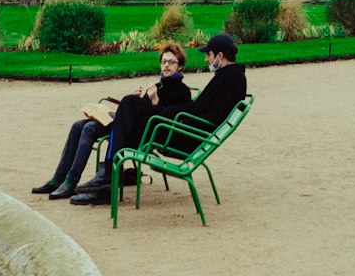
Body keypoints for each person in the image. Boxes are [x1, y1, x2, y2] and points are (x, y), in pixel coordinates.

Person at [70, 33, 247, 205]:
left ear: (220, 55)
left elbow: (211, 115)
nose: (206, 59)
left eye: (208, 55)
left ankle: (108, 176)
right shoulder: (228, 76)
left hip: (185, 134)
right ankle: (107, 179)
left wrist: (175, 117)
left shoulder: (232, 78)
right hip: (183, 127)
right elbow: (199, 108)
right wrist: (166, 111)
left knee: (130, 107)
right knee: (131, 106)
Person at [32, 41, 192, 201]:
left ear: (180, 66)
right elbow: (140, 110)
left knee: (90, 128)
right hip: (128, 125)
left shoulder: (182, 91)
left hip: (140, 133)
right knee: (78, 126)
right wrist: (138, 98)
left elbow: (167, 118)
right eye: (164, 61)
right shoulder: (158, 85)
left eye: (171, 62)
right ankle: (59, 179)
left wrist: (154, 101)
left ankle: (74, 182)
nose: (166, 65)